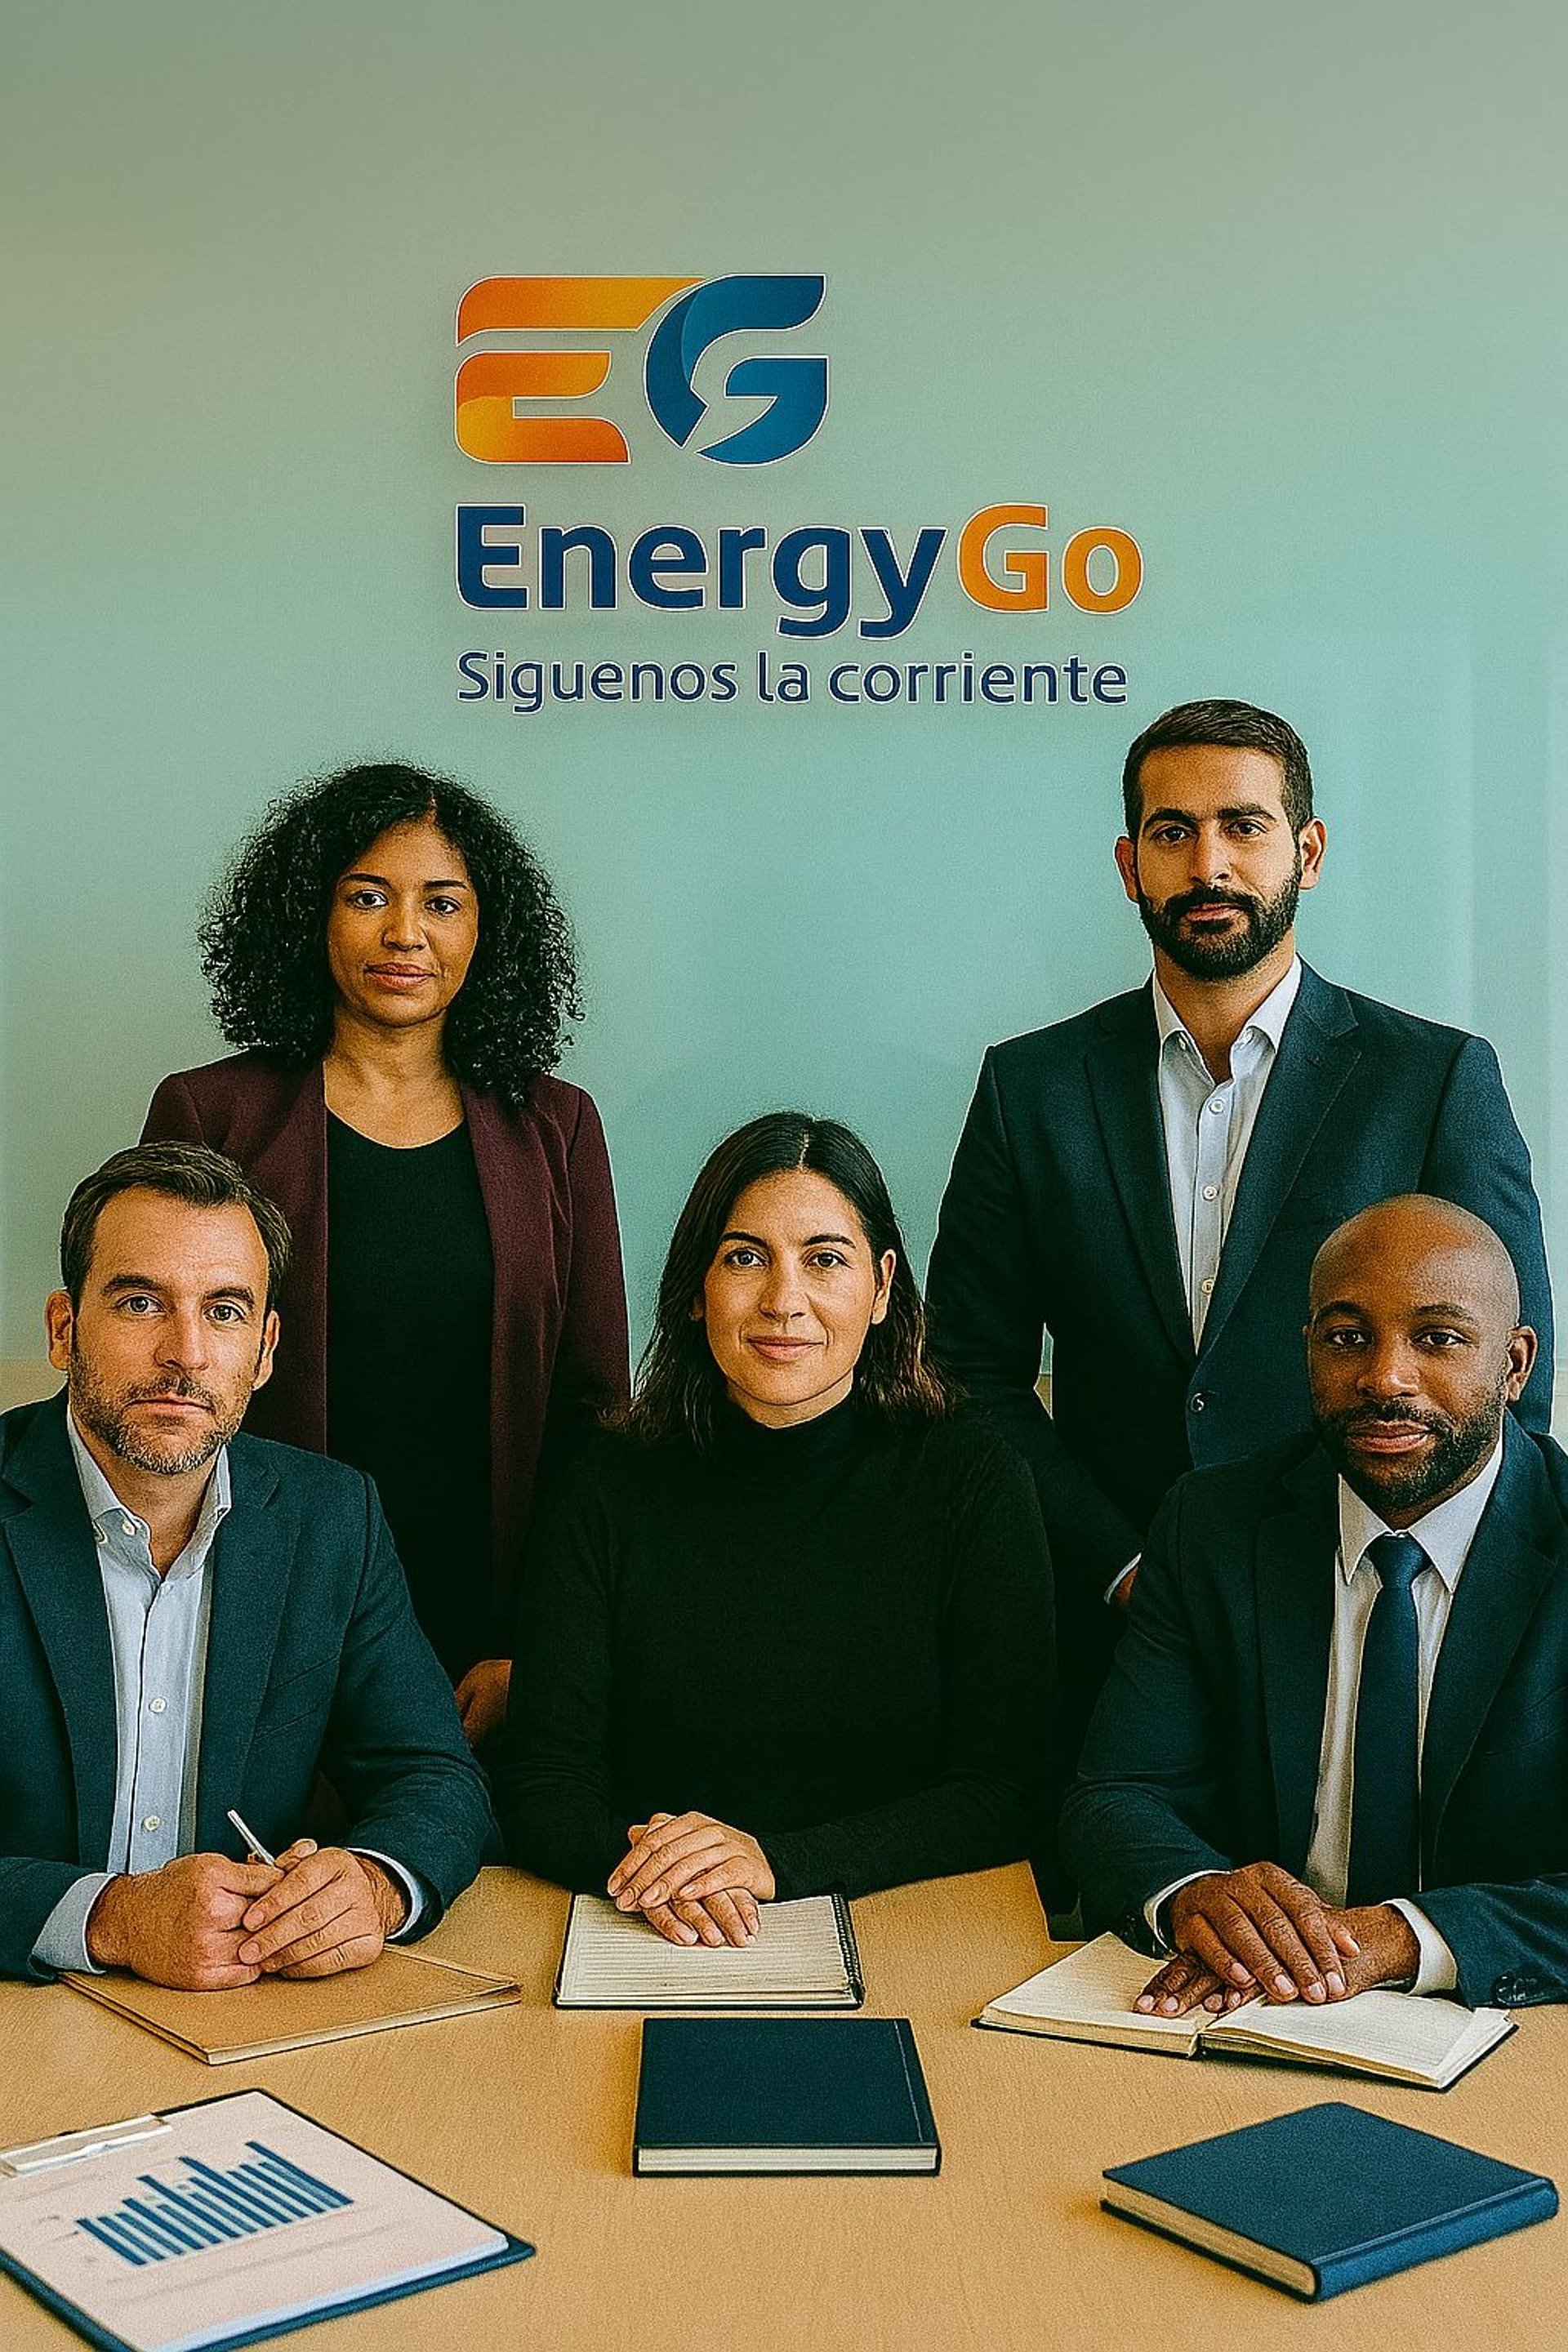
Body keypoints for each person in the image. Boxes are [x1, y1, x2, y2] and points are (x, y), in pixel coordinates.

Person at [927, 698, 1554, 1766]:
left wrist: (1411, 1579)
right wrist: (1123, 1567)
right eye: (1172, 831)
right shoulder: (1032, 1089)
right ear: (1129, 864)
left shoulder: (1433, 1080)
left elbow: (1502, 1379)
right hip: (1107, 1644)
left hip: (1372, 1631)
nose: (1207, 864)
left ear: (1307, 852)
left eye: (1243, 826)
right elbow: (965, 1374)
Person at [142, 761, 629, 1747]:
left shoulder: (557, 1127)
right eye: (367, 897)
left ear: (486, 930)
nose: (405, 932)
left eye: (441, 902)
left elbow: (592, 1419)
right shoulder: (212, 1114)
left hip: (488, 1632)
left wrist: (539, 1645)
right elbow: (165, 1382)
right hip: (257, 1615)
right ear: (312, 917)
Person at [492, 1112, 1055, 1948]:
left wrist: (774, 1863)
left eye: (825, 1259)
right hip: (655, 1928)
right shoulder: (605, 1485)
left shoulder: (974, 1481)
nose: (783, 1301)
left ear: (882, 1288)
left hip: (908, 1923)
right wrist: (668, 1876)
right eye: (744, 1258)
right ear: (696, 1290)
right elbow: (543, 1783)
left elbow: (1005, 1790)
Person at [0, 1143, 495, 1988]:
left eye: (224, 1311)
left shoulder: (330, 1518)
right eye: (140, 1303)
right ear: (63, 1328)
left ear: (265, 1351)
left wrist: (375, 1885)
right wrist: (111, 1917)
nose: (186, 1353)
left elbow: (434, 1773)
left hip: (249, 2009)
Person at [1061, 1194, 1568, 2016]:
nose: (1384, 1378)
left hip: (1508, 2022)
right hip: (1251, 2010)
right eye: (1346, 1338)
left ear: (1514, 1365)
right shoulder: (1213, 1524)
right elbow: (1118, 1793)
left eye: (1438, 1338)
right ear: (1307, 1349)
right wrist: (1198, 1895)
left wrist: (1399, 1937)